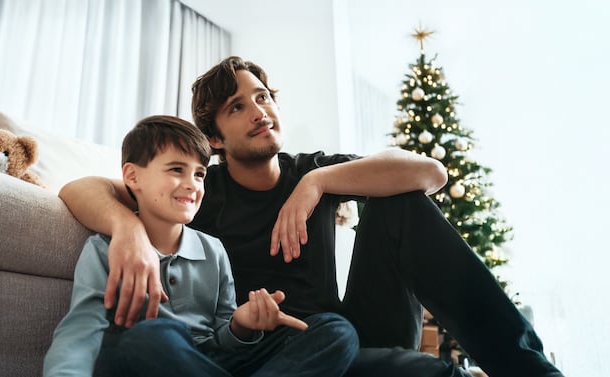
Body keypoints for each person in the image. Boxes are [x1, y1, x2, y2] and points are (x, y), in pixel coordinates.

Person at [59, 57, 564, 377]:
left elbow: (430, 172)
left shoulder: (313, 170)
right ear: (214, 138)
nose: (259, 111)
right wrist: (126, 226)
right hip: (267, 351)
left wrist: (317, 183)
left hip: (340, 333)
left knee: (401, 201)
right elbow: (80, 187)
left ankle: (529, 369)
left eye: (263, 97)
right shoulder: (202, 188)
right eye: (238, 107)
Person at [44, 115, 359, 377]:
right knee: (150, 337)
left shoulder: (213, 251)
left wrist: (241, 325)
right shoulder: (104, 250)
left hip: (211, 364)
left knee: (336, 331)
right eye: (176, 170)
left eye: (199, 174)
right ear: (132, 176)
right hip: (152, 358)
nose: (193, 184)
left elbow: (221, 341)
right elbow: (81, 332)